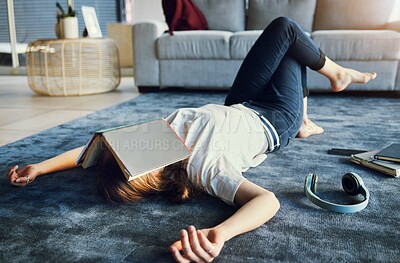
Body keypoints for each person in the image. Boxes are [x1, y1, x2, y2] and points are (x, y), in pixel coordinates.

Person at [6, 17, 376, 263]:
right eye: (132, 147)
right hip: (274, 118)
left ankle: (311, 112)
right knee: (291, 39)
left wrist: (40, 166)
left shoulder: (152, 139)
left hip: (239, 103)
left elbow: (88, 151)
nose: (135, 136)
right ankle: (325, 91)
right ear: (150, 173)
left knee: (283, 32)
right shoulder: (203, 168)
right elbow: (267, 201)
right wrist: (221, 233)